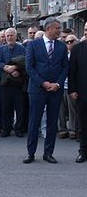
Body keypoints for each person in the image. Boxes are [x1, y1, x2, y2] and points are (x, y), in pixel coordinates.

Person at [23, 17, 69, 164]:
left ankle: (48, 153)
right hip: (37, 89)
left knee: (51, 122)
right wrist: (43, 83)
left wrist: (58, 84)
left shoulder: (61, 46)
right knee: (34, 121)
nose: (59, 31)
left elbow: (65, 68)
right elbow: (29, 67)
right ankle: (31, 153)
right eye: (57, 28)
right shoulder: (33, 45)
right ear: (49, 29)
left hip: (55, 90)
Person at [0, 28, 27, 137]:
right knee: (5, 107)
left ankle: (19, 129)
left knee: (19, 107)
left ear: (15, 36)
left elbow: (26, 62)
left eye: (11, 35)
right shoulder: (1, 49)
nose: (9, 38)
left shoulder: (22, 48)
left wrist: (16, 68)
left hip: (18, 83)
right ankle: (6, 129)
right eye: (7, 36)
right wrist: (5, 67)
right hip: (5, 83)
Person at [69, 34, 87, 163]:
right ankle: (83, 151)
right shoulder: (77, 49)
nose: (86, 32)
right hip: (82, 93)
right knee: (83, 125)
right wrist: (72, 90)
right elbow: (72, 71)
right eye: (85, 29)